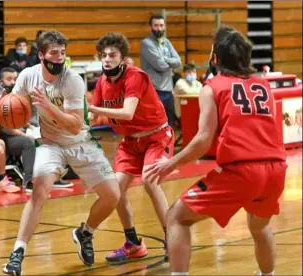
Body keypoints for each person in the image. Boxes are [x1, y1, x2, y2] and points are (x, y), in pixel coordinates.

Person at [145, 25, 287, 275]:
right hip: (276, 169)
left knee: (176, 217)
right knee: (259, 226)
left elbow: (202, 140)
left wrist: (171, 163)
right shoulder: (263, 85)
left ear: (216, 57)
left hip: (242, 170)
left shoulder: (213, 86)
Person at [1, 30, 120, 275]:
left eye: (63, 53)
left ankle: (85, 233)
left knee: (112, 195)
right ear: (41, 55)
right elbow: (13, 107)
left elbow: (74, 124)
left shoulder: (72, 80)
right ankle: (17, 253)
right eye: (53, 53)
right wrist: (2, 107)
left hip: (80, 141)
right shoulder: (27, 75)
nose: (59, 58)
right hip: (50, 143)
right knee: (39, 190)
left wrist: (46, 105)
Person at [88, 32, 174, 262]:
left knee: (149, 180)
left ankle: (172, 238)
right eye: (103, 55)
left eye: (112, 55)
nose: (106, 59)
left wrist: (96, 111)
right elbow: (93, 117)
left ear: (123, 58)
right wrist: (69, 119)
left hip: (156, 136)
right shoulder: (102, 82)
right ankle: (133, 243)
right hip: (130, 142)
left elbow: (127, 112)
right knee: (116, 190)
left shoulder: (136, 76)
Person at [0, 67, 74, 190]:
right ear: (1, 82)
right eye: (9, 79)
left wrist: (31, 127)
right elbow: (5, 129)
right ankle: (29, 181)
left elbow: (24, 119)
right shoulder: (0, 99)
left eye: (15, 79)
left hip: (21, 131)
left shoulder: (19, 94)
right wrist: (26, 134)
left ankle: (52, 177)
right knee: (29, 142)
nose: (13, 82)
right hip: (7, 138)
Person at [140, 15, 182, 127]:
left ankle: (169, 145)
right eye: (156, 25)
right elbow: (160, 65)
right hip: (154, 90)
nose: (159, 28)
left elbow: (178, 62)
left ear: (165, 26)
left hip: (168, 90)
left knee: (170, 125)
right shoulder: (146, 43)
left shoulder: (167, 42)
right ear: (151, 27)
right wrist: (169, 63)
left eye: (161, 25)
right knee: (157, 125)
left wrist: (164, 58)